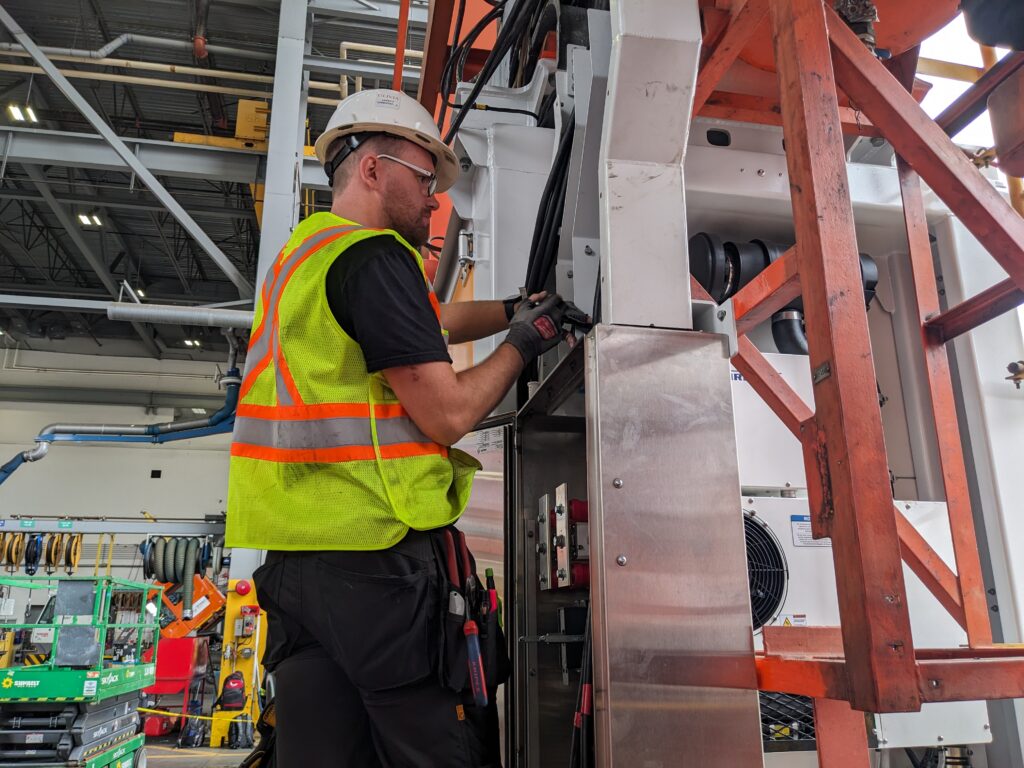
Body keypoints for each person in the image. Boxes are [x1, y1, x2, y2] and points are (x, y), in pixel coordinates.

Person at [225, 88, 569, 768]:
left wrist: (509, 310)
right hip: (376, 563)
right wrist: (527, 343)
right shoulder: (378, 257)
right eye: (423, 178)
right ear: (375, 170)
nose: (434, 199)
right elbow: (447, 414)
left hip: (296, 570)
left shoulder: (305, 262)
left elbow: (432, 320)